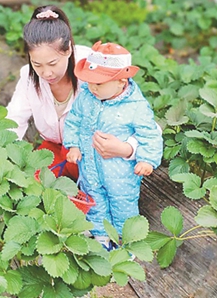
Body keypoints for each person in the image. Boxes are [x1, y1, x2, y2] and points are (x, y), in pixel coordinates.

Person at [6, 5, 137, 180]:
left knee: (94, 192)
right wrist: (5, 154)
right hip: (55, 149)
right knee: (30, 181)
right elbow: (14, 119)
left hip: (92, 153)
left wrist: (127, 149)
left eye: (52, 63)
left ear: (68, 49)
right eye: (37, 64)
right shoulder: (29, 76)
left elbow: (142, 119)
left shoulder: (95, 70)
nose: (46, 73)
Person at [64, 41, 163, 249]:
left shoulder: (136, 106)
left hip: (120, 173)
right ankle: (101, 236)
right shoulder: (86, 97)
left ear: (121, 81)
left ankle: (126, 240)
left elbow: (149, 134)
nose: (92, 87)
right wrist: (73, 146)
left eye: (99, 83)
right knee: (95, 200)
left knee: (122, 204)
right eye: (90, 81)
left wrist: (147, 160)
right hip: (89, 166)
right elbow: (73, 120)